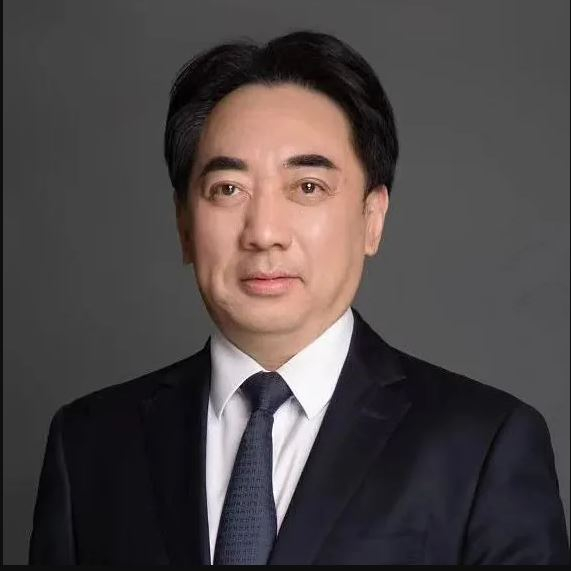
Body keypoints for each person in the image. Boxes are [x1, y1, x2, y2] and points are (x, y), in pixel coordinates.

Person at [29, 30, 569, 565]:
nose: (264, 232)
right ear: (184, 225)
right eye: (228, 189)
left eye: (307, 187)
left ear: (372, 218)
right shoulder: (88, 445)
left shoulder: (484, 445)